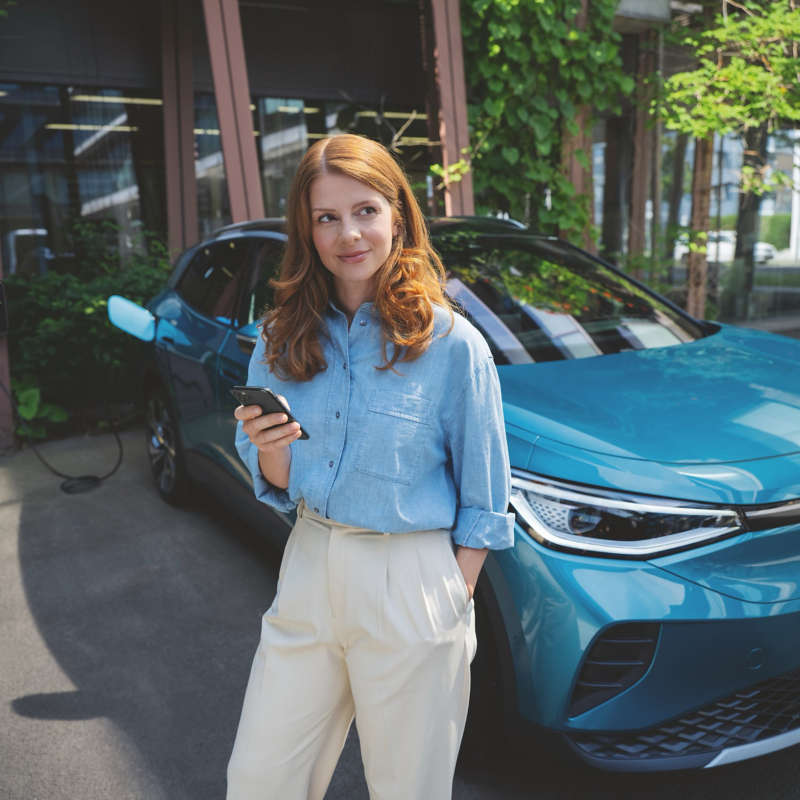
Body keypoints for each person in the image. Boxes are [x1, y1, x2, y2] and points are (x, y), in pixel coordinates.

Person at [228, 133, 515, 800]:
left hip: (410, 576)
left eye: (364, 211)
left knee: (408, 790)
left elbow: (486, 497)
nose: (348, 234)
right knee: (258, 781)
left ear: (397, 215)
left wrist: (449, 594)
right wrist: (271, 445)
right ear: (306, 230)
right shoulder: (279, 340)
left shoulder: (451, 344)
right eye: (326, 217)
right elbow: (274, 484)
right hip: (308, 562)